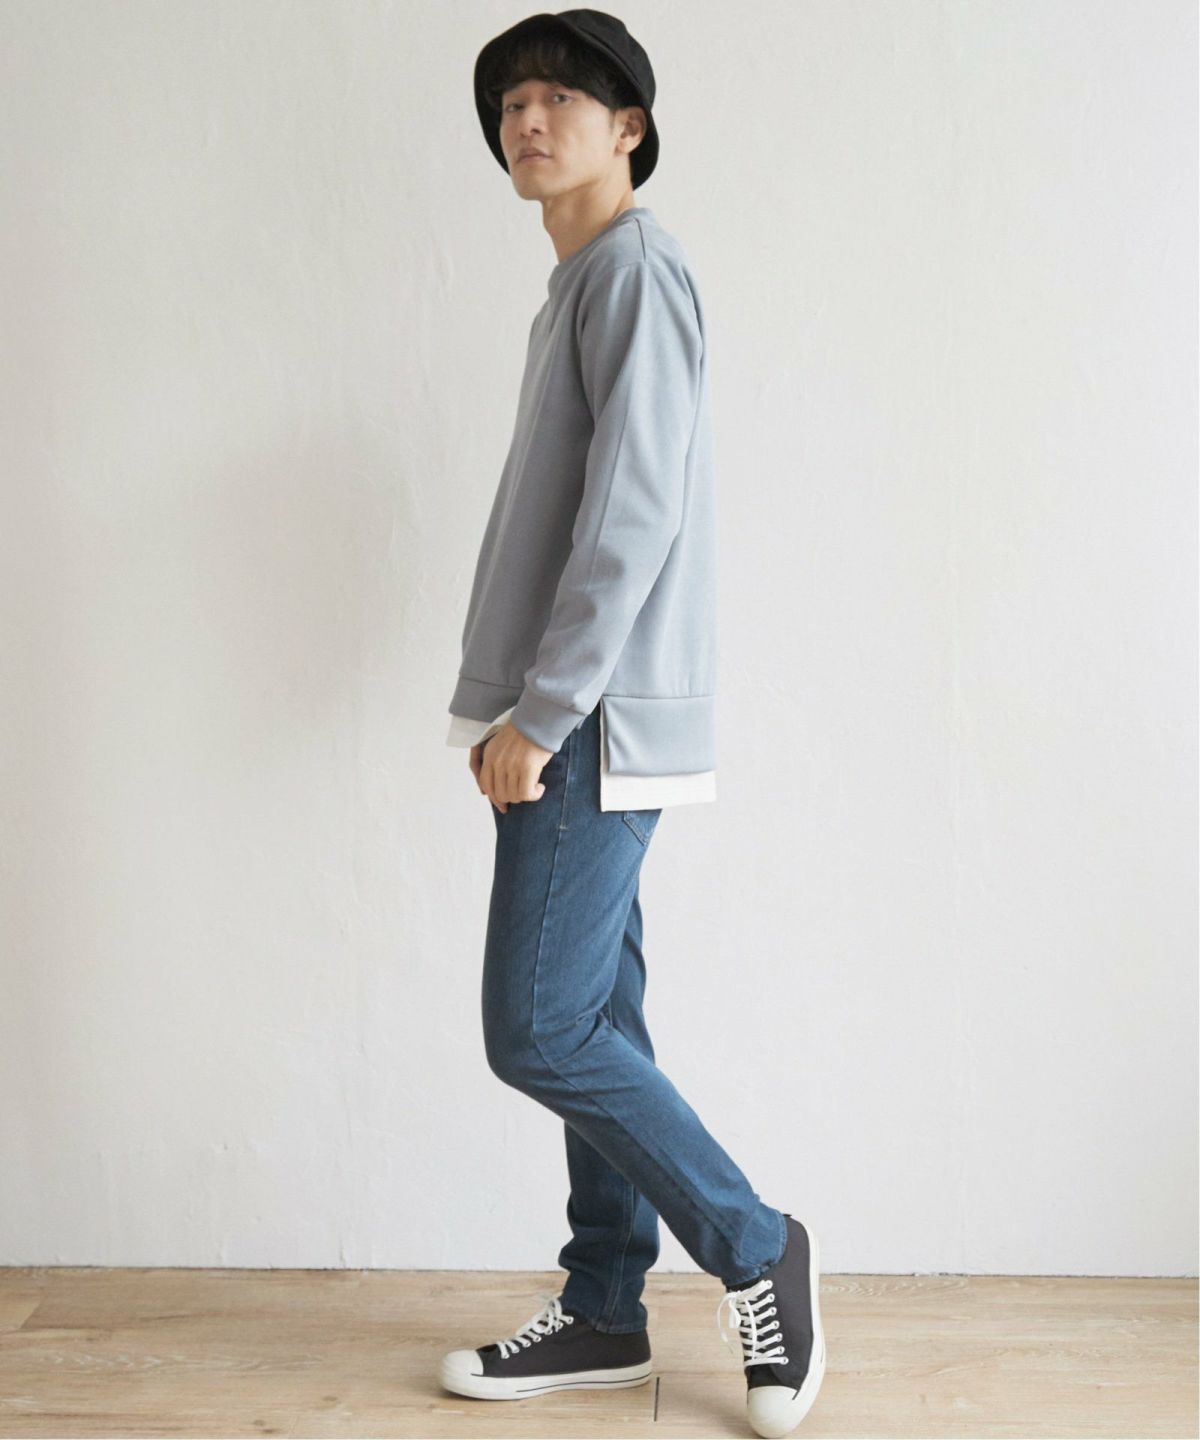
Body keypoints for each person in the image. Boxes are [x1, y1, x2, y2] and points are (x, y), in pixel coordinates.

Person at [439, 12, 825, 1436]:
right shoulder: (582, 284)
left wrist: (542, 713)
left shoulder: (636, 271)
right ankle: (606, 1303)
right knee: (596, 1019)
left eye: (560, 97)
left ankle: (755, 1243)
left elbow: (634, 517)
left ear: (629, 127)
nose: (529, 120)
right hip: (572, 711)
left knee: (537, 1030)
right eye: (511, 103)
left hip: (589, 717)